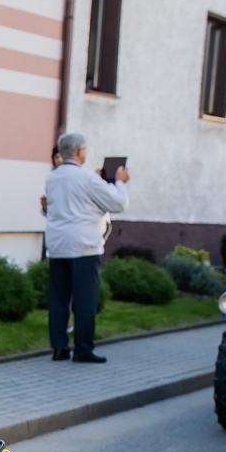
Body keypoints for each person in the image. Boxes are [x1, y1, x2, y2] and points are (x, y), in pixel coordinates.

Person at [44, 131, 128, 363]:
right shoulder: (86, 178)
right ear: (80, 152)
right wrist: (119, 181)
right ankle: (83, 349)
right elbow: (117, 203)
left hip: (58, 245)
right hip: (84, 246)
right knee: (85, 299)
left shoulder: (53, 178)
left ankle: (59, 348)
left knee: (59, 299)